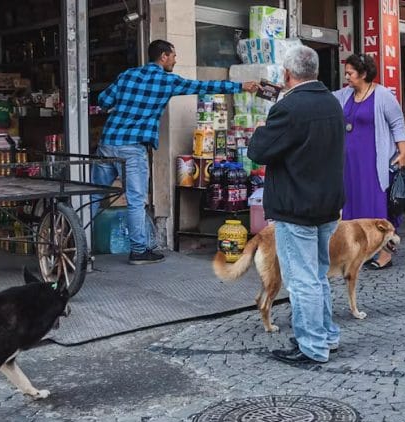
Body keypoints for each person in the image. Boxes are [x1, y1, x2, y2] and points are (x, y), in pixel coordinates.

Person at [94, 40, 259, 264]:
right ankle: (139, 251)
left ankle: (76, 242)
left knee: (93, 195)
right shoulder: (167, 81)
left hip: (107, 142)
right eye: (173, 56)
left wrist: (122, 106)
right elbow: (204, 87)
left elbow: (103, 100)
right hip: (132, 149)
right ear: (163, 56)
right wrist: (240, 87)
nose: (175, 60)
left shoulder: (127, 75)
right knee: (135, 200)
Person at [247, 45, 345, 364]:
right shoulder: (332, 101)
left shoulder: (289, 107)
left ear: (287, 73)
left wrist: (260, 130)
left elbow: (258, 151)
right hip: (326, 203)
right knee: (317, 275)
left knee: (303, 280)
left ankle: (312, 346)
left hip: (296, 205)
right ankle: (326, 335)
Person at [333, 53, 405, 270]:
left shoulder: (382, 95)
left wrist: (403, 152)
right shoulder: (344, 95)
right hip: (350, 164)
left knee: (376, 207)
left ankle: (385, 254)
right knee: (353, 206)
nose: (346, 77)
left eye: (350, 73)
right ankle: (359, 251)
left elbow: (397, 123)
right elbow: (322, 99)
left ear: (364, 74)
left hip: (373, 163)